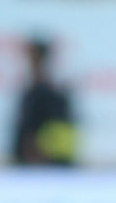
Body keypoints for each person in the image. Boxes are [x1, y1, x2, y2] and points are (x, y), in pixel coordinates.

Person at [9, 38, 77, 166]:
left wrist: (39, 156)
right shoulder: (30, 91)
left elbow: (60, 132)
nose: (28, 62)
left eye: (32, 58)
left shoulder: (54, 94)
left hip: (46, 167)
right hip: (28, 166)